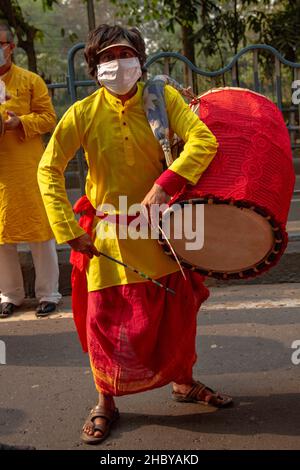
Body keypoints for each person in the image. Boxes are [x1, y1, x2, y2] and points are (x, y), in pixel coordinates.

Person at [38, 24, 232, 445]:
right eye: (107, 58)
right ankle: (106, 402)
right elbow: (48, 168)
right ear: (94, 67)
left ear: (140, 60)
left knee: (176, 317)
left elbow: (204, 140)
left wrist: (164, 185)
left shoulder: (163, 99)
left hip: (165, 235)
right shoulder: (82, 113)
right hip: (108, 238)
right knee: (106, 324)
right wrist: (68, 230)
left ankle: (183, 383)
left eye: (125, 54)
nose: (118, 64)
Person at [0, 24, 62, 319]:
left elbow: (49, 118)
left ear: (10, 46)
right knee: (1, 236)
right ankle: (9, 295)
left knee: (40, 229)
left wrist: (20, 123)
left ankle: (48, 293)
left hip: (27, 167)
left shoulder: (29, 81)